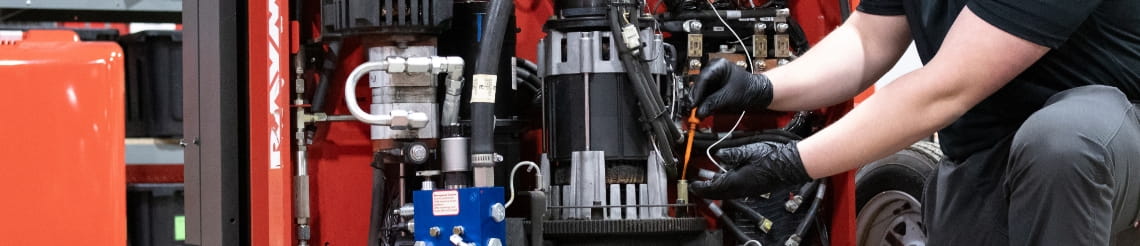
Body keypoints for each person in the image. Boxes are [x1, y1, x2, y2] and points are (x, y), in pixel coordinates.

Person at [687, 0, 1140, 245]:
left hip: (1108, 148)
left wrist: (792, 162)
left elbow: (945, 89)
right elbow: (868, 40)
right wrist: (762, 88)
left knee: (1062, 142)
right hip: (986, 159)